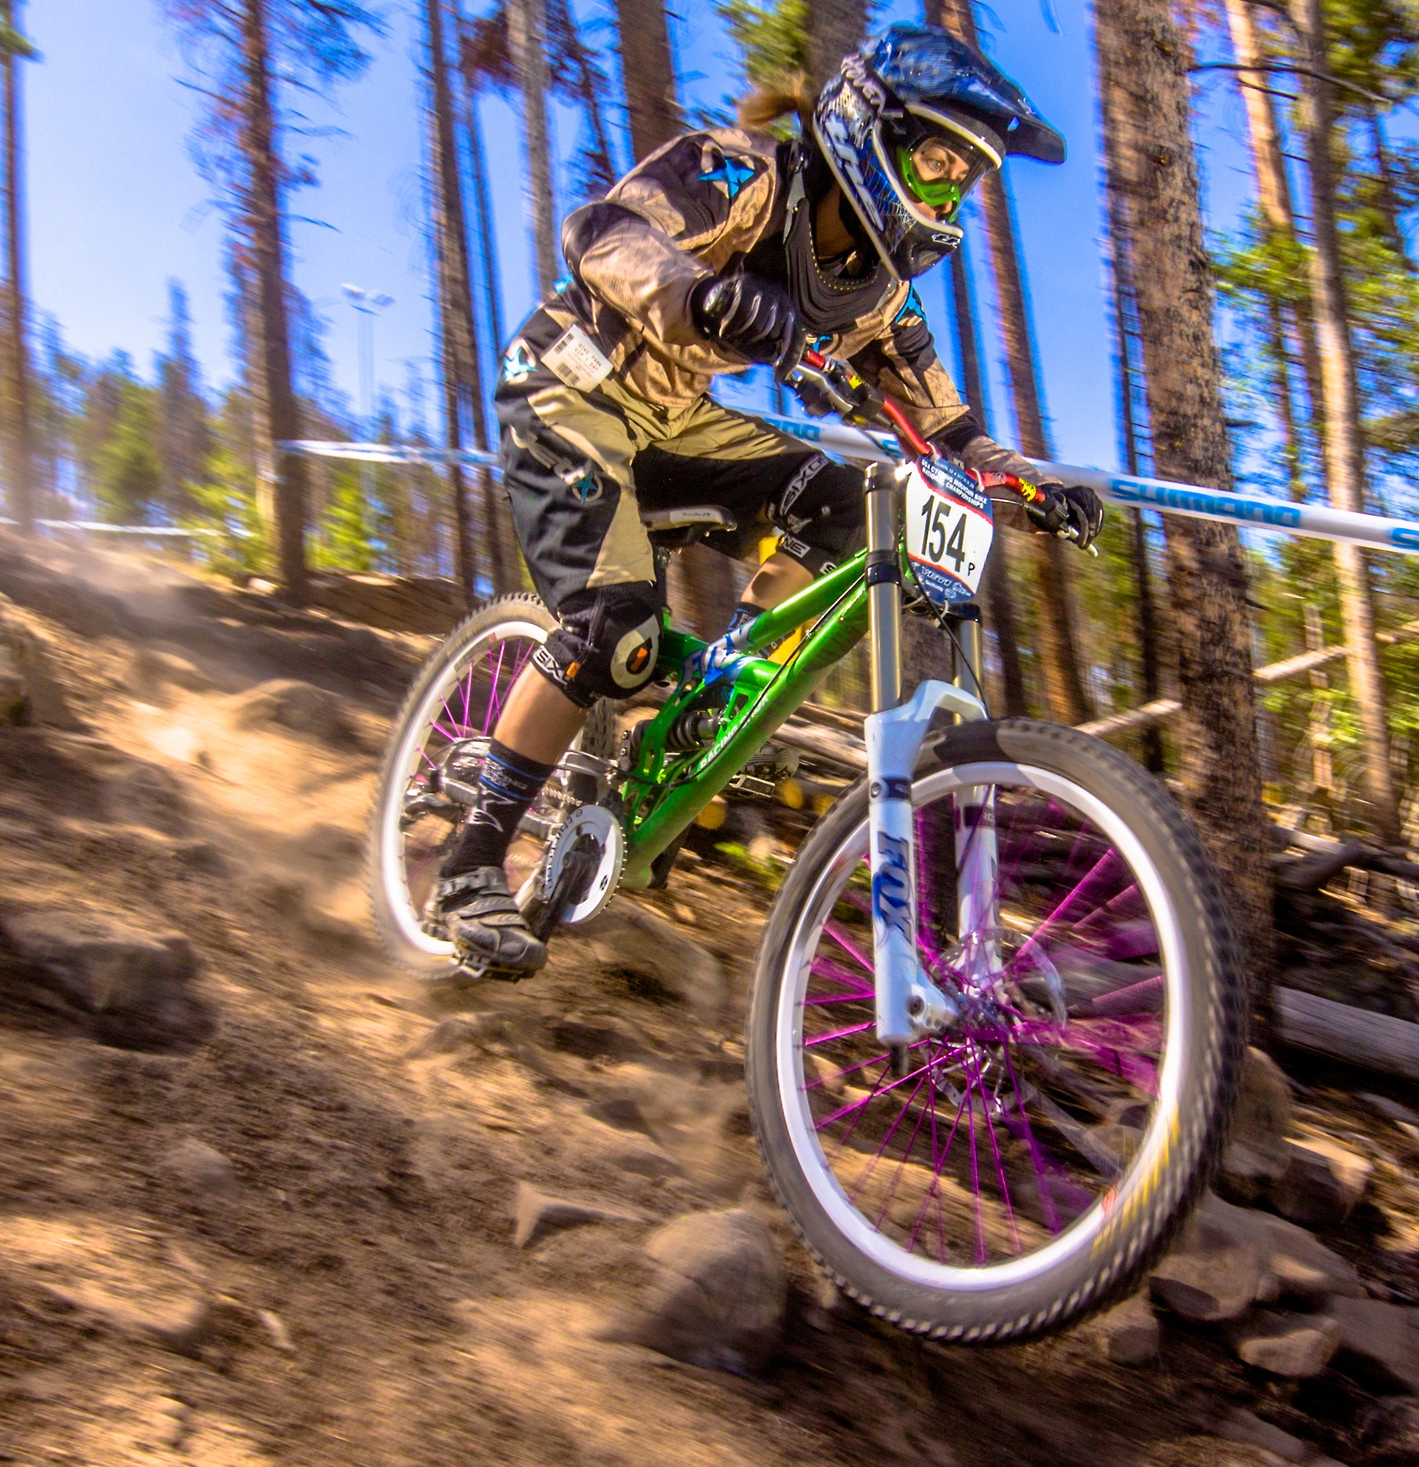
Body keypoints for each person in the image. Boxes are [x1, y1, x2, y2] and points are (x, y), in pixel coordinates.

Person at [433, 23, 1107, 974]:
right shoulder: (743, 172)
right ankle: (468, 863)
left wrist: (1024, 479)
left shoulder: (875, 294)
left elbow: (948, 428)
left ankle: (720, 688)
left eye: (964, 180)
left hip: (673, 420)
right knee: (612, 631)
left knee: (848, 509)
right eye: (937, 164)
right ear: (871, 129)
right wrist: (698, 293)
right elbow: (599, 232)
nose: (947, 193)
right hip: (569, 387)